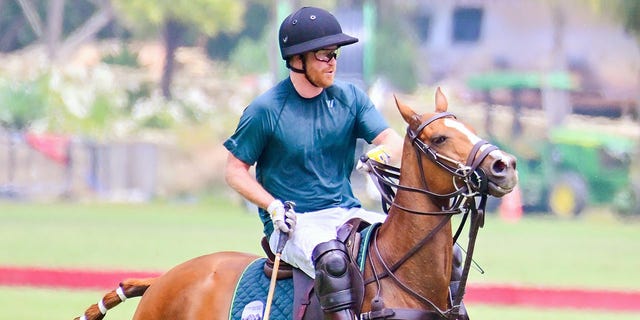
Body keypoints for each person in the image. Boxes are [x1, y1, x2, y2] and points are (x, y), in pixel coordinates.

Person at [223, 6, 402, 320]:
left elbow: (393, 141)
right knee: (332, 261)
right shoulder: (265, 109)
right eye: (324, 54)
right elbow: (235, 170)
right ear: (296, 59)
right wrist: (272, 206)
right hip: (294, 222)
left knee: (401, 244)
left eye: (335, 54)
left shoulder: (351, 98)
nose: (333, 62)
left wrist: (376, 157)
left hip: (346, 212)